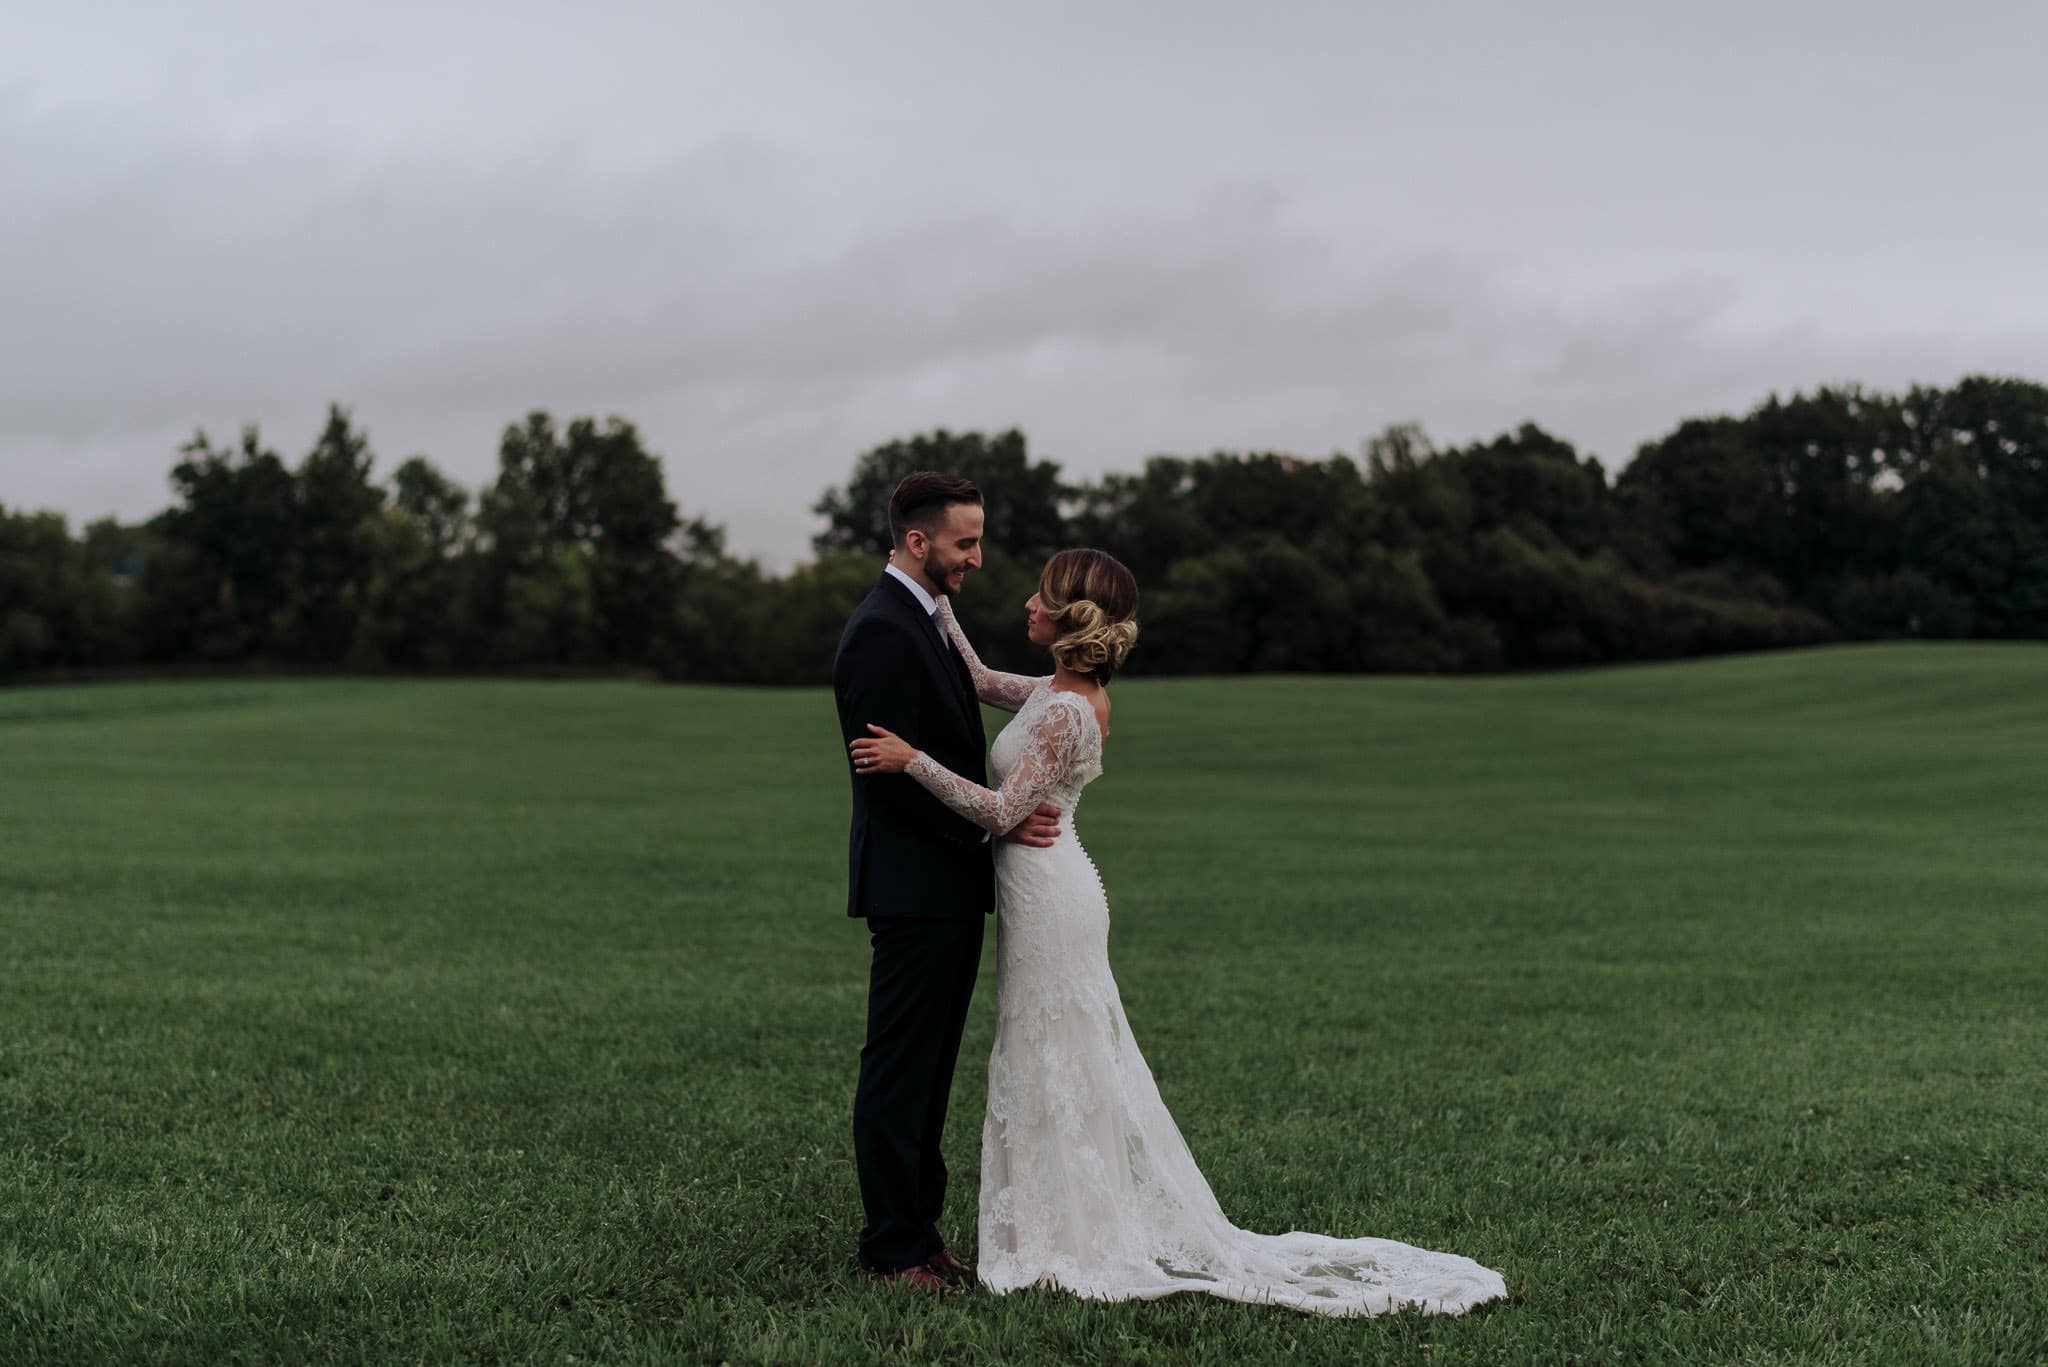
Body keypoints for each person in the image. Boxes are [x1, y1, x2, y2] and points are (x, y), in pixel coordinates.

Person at [850, 548, 1508, 1316]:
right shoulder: (1056, 689)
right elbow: (984, 681)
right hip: (1036, 891)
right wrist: (943, 613)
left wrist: (912, 759)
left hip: (1054, 897)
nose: (1026, 601)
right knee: (1048, 1054)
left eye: (1041, 596)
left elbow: (1001, 813)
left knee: (1059, 1053)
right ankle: (1059, 1217)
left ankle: (1077, 1232)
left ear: (1069, 617)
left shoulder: (1068, 710)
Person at [830, 471, 1063, 1291]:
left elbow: (983, 697)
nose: (977, 557)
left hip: (954, 886)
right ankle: (890, 1249)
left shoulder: (928, 618)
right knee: (900, 1068)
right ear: (917, 541)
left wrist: (998, 819)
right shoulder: (879, 632)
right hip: (914, 888)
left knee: (930, 1071)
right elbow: (889, 782)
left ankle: (922, 1233)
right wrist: (995, 820)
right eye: (965, 542)